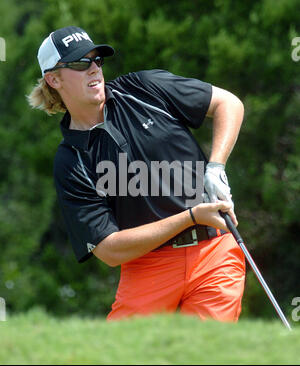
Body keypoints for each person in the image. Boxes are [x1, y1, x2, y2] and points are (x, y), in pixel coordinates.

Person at [28, 26, 245, 322]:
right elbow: (109, 250)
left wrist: (216, 167)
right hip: (146, 268)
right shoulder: (71, 161)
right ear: (54, 79)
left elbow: (228, 104)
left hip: (213, 251)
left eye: (97, 60)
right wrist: (191, 216)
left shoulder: (144, 88)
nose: (94, 69)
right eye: (81, 63)